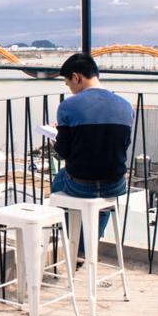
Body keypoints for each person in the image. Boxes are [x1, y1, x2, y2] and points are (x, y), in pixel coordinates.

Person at [51, 53, 133, 259]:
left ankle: (73, 243)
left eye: (68, 83)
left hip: (81, 185)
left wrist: (58, 136)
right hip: (116, 184)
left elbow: (62, 152)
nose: (70, 89)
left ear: (76, 77)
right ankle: (87, 248)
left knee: (59, 181)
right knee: (103, 205)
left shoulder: (68, 106)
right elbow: (123, 145)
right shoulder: (125, 106)